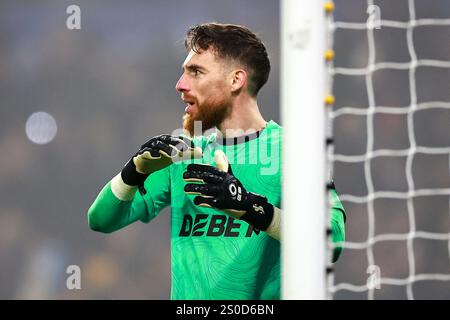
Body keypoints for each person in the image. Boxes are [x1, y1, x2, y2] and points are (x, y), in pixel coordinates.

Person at [87, 23, 346, 300]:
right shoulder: (184, 153)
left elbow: (330, 243)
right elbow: (100, 220)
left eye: (196, 72)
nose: (180, 84)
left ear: (236, 80)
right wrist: (133, 172)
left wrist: (249, 207)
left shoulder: (295, 150)